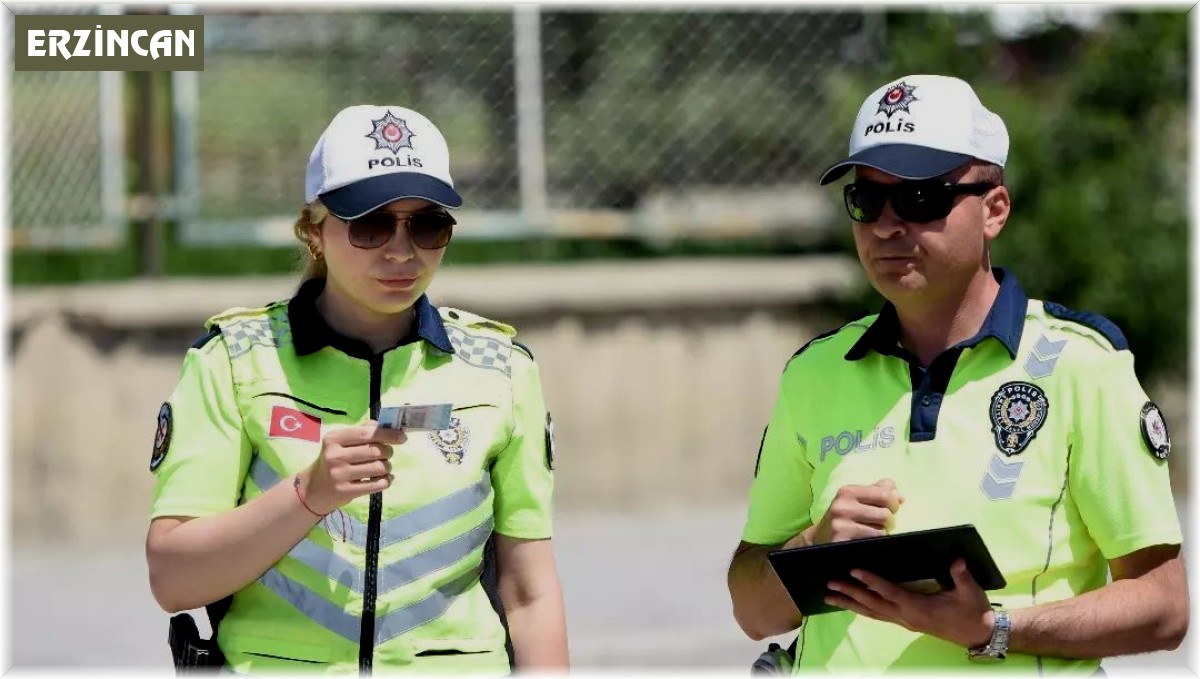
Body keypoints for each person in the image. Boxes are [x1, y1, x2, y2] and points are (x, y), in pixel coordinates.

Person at [726, 74, 1187, 672]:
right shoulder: (814, 374)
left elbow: (1164, 607)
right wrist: (811, 547)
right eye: (867, 201)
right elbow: (752, 612)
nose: (888, 226)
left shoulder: (1083, 366)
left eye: (921, 199)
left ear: (994, 210)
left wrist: (995, 629)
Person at [146, 104, 569, 674]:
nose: (402, 252)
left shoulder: (501, 369)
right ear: (313, 231)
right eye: (369, 225)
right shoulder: (233, 361)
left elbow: (530, 594)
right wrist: (308, 494)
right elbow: (173, 580)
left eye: (427, 225)